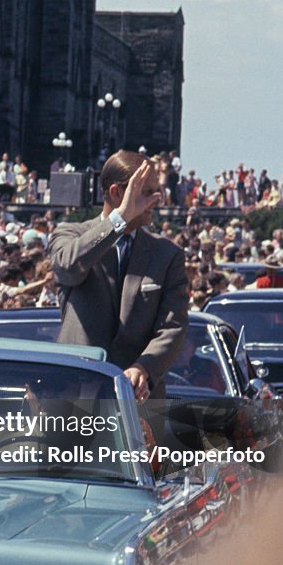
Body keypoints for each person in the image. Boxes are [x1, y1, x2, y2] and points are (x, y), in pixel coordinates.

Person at [49, 150, 188, 401]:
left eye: (157, 191)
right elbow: (69, 267)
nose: (156, 199)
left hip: (139, 399)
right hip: (76, 397)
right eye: (146, 192)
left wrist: (144, 367)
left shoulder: (167, 254)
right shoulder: (70, 235)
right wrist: (120, 219)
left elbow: (173, 326)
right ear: (116, 193)